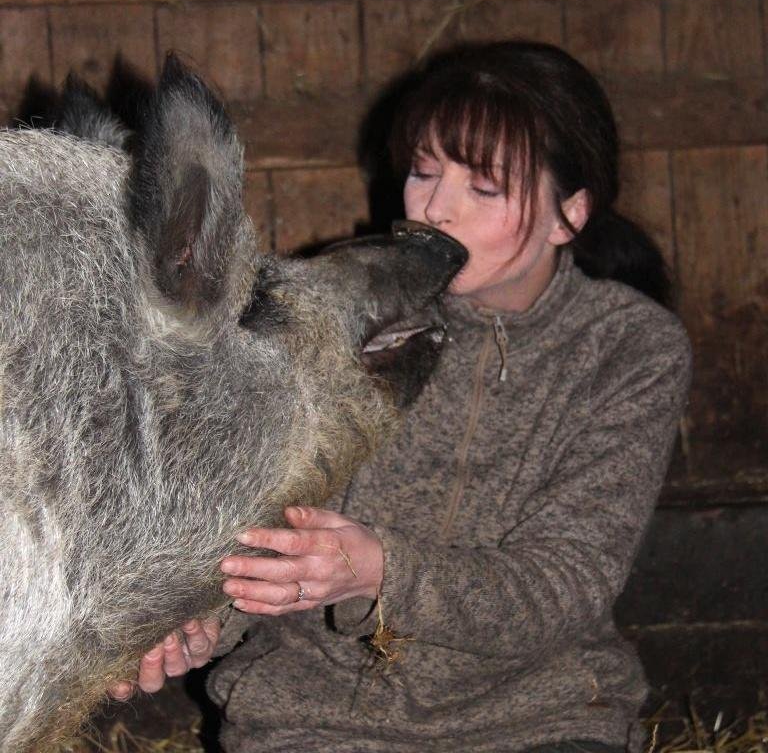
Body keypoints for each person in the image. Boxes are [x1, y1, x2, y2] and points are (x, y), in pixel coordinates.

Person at [110, 41, 692, 752]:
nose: (435, 208)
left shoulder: (627, 350)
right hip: (313, 721)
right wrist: (196, 622)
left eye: (484, 187)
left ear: (568, 214)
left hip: (538, 720)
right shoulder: (334, 312)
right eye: (423, 172)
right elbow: (257, 521)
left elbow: (567, 582)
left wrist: (382, 569)